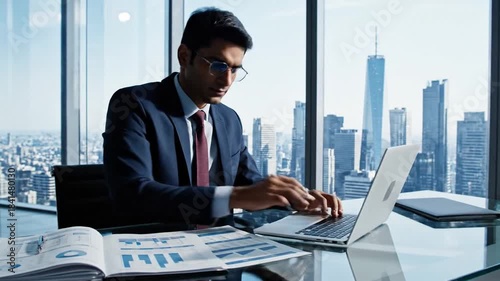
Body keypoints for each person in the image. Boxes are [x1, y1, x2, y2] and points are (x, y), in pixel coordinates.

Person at [102, 7, 342, 229]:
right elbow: (132, 194)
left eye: (235, 69)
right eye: (218, 65)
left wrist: (302, 198)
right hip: (157, 257)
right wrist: (235, 197)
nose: (227, 81)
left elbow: (252, 185)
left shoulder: (229, 120)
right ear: (185, 56)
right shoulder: (135, 105)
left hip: (222, 253)